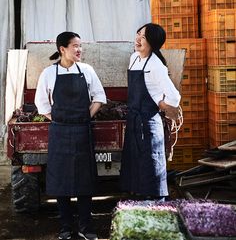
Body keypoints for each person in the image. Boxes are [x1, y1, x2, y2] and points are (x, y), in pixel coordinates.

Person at [35, 31, 106, 240]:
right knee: (61, 181)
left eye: (80, 46)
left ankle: (86, 226)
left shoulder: (87, 70)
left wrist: (86, 116)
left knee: (85, 180)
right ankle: (65, 227)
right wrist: (59, 119)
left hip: (83, 130)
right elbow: (42, 105)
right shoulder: (49, 73)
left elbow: (99, 97)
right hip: (59, 131)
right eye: (75, 46)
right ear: (62, 49)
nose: (79, 50)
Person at [120, 23, 181, 201]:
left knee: (150, 166)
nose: (138, 39)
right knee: (135, 165)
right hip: (133, 121)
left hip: (148, 124)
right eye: (138, 33)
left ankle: (155, 205)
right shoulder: (134, 58)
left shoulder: (156, 65)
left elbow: (174, 97)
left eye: (144, 37)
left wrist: (161, 104)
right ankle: (139, 203)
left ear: (153, 42)